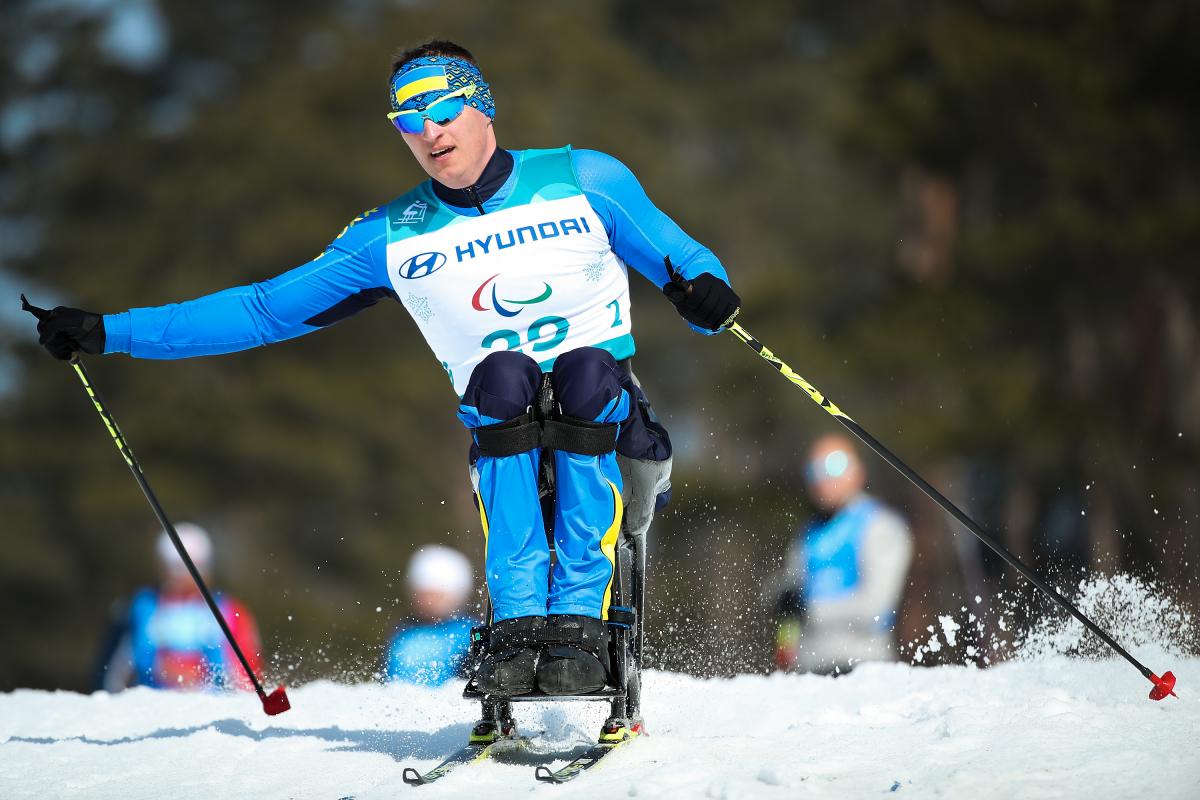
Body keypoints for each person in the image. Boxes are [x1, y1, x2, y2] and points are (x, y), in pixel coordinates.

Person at [31, 40, 739, 698]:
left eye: (442, 110)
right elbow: (262, 310)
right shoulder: (390, 236)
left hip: (621, 442)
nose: (430, 133)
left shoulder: (584, 176)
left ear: (481, 104)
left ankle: (582, 622)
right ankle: (521, 628)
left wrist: (704, 291)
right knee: (500, 375)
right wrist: (110, 331)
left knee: (584, 370)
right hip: (503, 437)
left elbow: (681, 257)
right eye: (409, 121)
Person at [775, 434, 913, 675]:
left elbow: (877, 606)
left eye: (834, 466)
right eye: (813, 471)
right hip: (809, 671)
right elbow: (788, 601)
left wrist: (811, 609)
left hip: (863, 666)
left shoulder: (879, 525)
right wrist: (786, 640)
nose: (823, 479)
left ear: (858, 471)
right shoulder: (808, 535)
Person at [93, 523, 264, 691]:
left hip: (213, 709)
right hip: (150, 707)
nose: (182, 577)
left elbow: (248, 673)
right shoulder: (140, 607)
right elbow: (111, 673)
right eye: (175, 568)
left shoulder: (230, 611)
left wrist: (199, 673)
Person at [385, 544, 477, 685]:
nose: (428, 602)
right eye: (423, 594)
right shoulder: (403, 632)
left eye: (436, 595)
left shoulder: (469, 633)